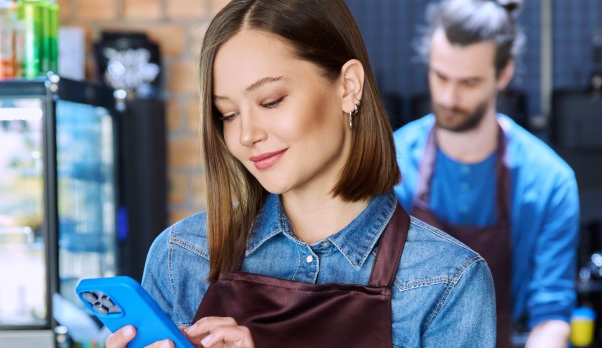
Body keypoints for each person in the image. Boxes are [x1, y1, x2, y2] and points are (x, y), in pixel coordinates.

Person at [106, 0, 496, 347]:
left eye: (271, 101)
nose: (246, 135)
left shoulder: (445, 281)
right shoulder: (182, 257)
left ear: (348, 87)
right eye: (228, 114)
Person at [393, 1, 579, 347]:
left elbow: (551, 315)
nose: (449, 97)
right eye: (440, 76)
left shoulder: (549, 182)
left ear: (503, 74)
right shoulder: (390, 165)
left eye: (469, 82)